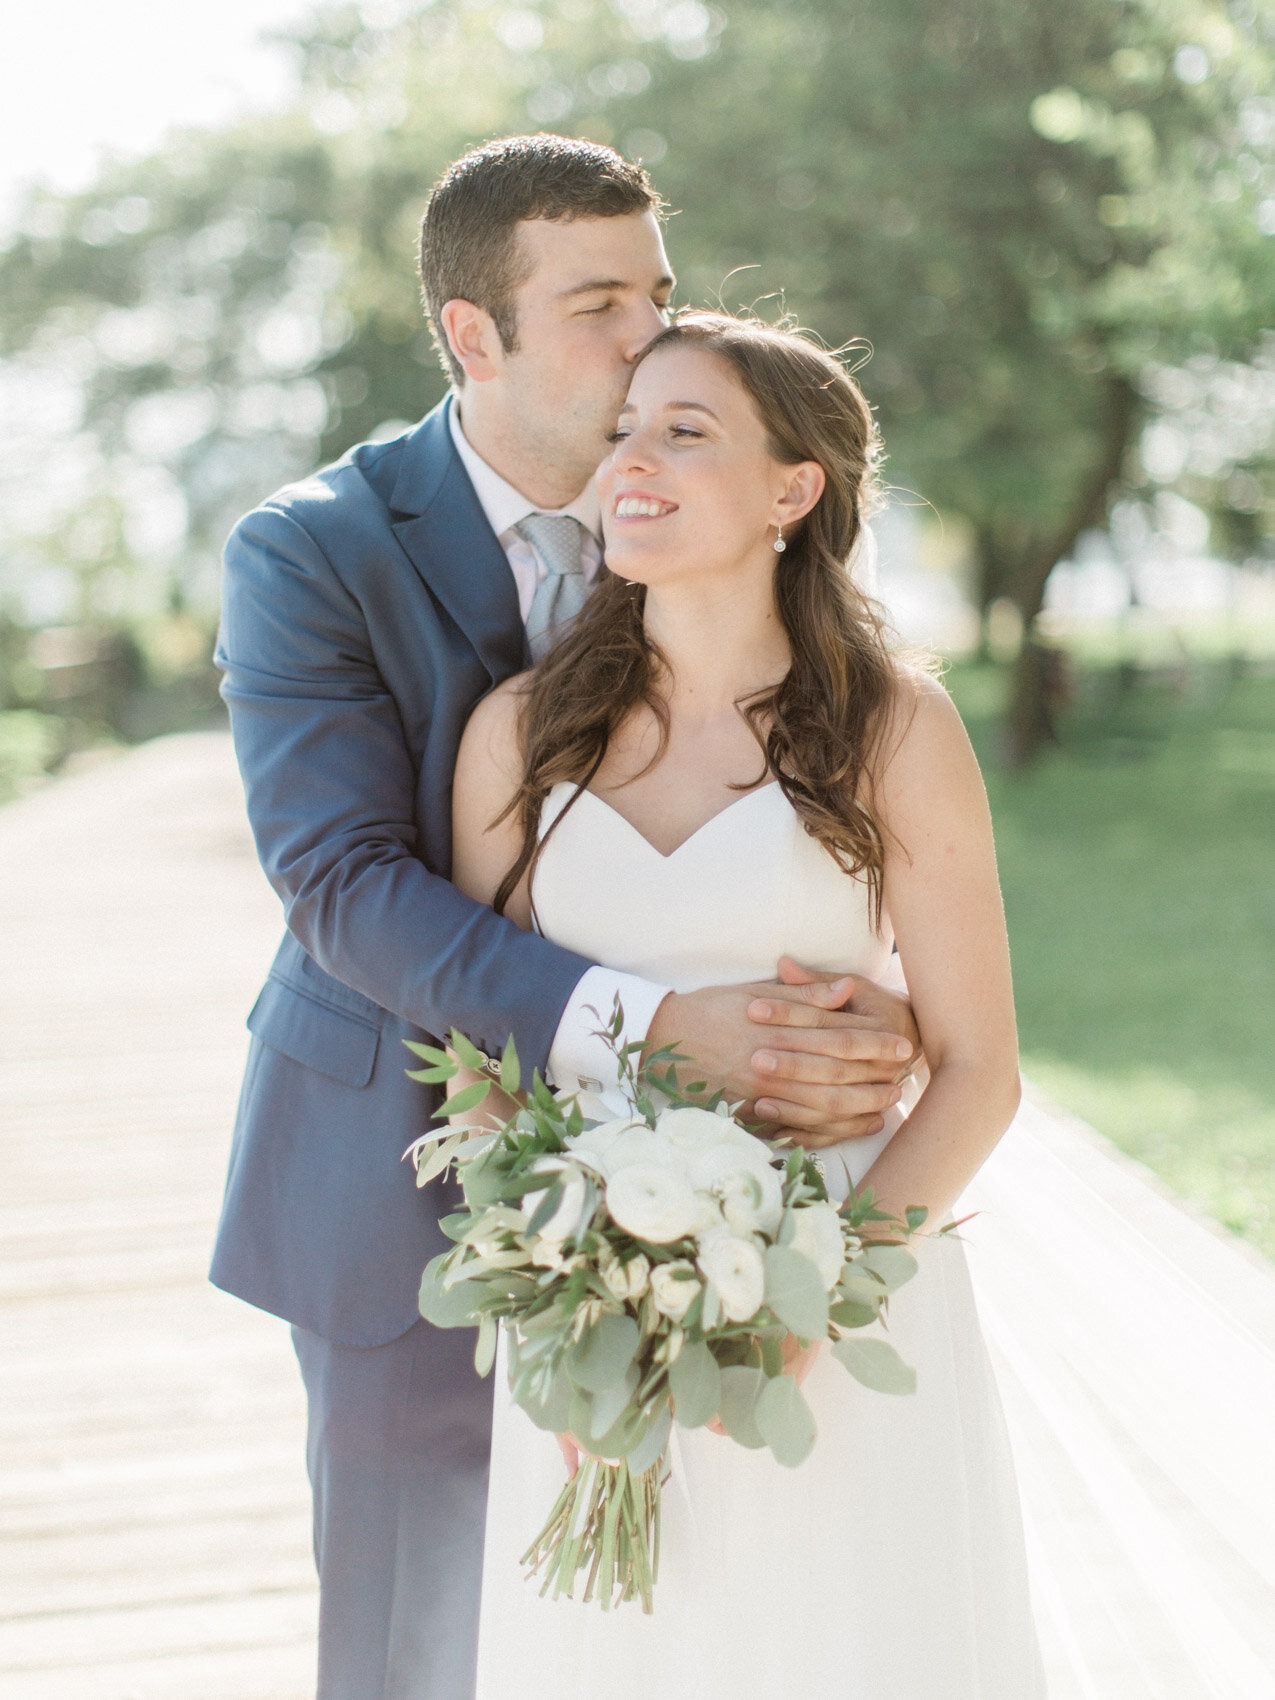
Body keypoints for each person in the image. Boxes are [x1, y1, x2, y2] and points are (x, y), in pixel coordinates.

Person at [211, 135, 919, 1700]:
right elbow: (343, 887)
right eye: (597, 305)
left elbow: (828, 793)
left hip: (734, 1195)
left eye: (656, 293)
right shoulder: (308, 550)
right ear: (476, 336)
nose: (647, 337)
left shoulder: (698, 498)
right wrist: (660, 1027)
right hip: (397, 1182)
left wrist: (876, 1008)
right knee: (415, 1649)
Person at [449, 312, 1047, 1697]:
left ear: (796, 490)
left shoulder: (895, 727)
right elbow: (476, 1040)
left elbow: (976, 1072)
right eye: (623, 432)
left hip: (841, 1281)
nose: (632, 461)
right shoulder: (520, 731)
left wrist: (813, 1297)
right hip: (588, 1294)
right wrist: (553, 1271)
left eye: (684, 430)